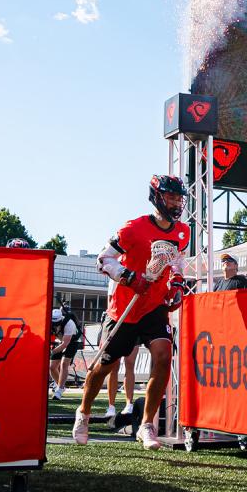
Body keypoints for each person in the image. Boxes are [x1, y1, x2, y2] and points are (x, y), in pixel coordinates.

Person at [73, 175, 190, 450]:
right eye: (170, 197)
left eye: (178, 198)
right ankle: (84, 412)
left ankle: (147, 424)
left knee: (163, 356)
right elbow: (104, 259)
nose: (175, 202)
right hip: (126, 306)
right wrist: (129, 276)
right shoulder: (133, 228)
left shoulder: (182, 231)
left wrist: (176, 283)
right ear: (157, 197)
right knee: (105, 366)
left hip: (154, 306)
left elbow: (177, 261)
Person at [49, 304, 83, 398]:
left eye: (57, 323)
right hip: (59, 340)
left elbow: (65, 344)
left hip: (72, 342)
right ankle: (60, 385)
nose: (55, 325)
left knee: (64, 364)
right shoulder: (49, 322)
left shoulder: (69, 324)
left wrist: (52, 351)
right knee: (52, 367)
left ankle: (59, 389)